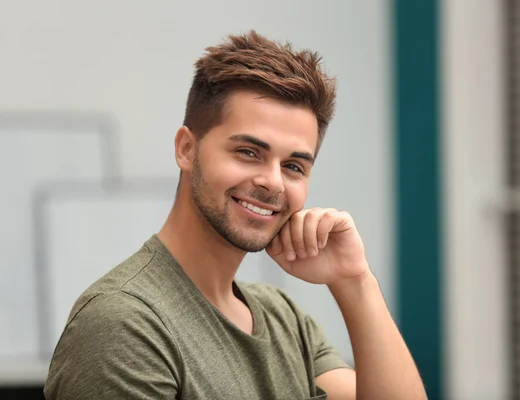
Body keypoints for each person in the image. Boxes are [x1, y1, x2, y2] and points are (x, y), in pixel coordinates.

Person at [44, 31, 427, 400]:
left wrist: (355, 281)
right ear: (186, 149)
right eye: (248, 152)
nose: (273, 183)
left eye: (294, 166)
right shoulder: (124, 324)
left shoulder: (284, 318)